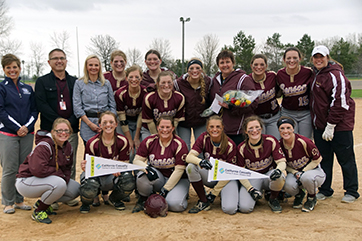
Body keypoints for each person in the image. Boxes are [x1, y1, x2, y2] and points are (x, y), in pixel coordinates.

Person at [310, 45, 359, 203]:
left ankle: (351, 190)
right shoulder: (315, 74)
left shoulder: (335, 75)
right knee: (324, 159)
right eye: (316, 57)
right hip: (320, 126)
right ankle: (325, 189)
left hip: (339, 126)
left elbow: (341, 103)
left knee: (345, 158)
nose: (319, 60)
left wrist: (331, 125)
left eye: (321, 57)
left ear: (327, 57)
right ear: (312, 59)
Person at [35, 48, 79, 207]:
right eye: (55, 58)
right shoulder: (42, 81)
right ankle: (50, 197)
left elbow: (78, 105)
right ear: (49, 62)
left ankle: (67, 195)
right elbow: (41, 104)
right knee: (49, 164)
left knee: (68, 162)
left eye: (62, 58)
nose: (59, 61)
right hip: (49, 130)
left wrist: (69, 124)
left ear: (66, 61)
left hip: (71, 130)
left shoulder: (74, 81)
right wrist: (59, 125)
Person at [15, 118, 80, 224]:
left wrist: (63, 177)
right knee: (59, 184)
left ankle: (42, 203)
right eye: (59, 130)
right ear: (53, 132)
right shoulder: (45, 145)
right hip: (26, 181)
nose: (63, 133)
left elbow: (68, 168)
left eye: (66, 130)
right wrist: (60, 175)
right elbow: (38, 170)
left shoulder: (68, 146)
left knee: (75, 189)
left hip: (45, 180)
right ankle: (39, 211)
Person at [0, 54, 38, 214]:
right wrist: (17, 128)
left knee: (22, 168)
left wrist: (27, 127)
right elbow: (1, 111)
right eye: (8, 67)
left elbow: (34, 110)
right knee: (9, 168)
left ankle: (19, 199)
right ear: (4, 70)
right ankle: (8, 202)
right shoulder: (2, 87)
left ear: (19, 68)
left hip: (27, 134)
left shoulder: (27, 88)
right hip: (9, 134)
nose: (12, 70)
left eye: (14, 67)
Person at [132, 116, 189, 213]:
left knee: (175, 205)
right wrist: (147, 168)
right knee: (142, 176)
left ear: (173, 128)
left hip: (177, 180)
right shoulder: (150, 141)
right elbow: (136, 161)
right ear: (157, 127)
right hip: (160, 178)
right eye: (162, 127)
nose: (165, 130)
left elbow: (179, 170)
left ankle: (179, 194)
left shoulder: (179, 144)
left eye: (168, 127)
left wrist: (166, 189)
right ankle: (143, 199)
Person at [79, 111, 132, 213]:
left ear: (116, 124)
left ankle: (115, 199)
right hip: (97, 177)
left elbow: (124, 165)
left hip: (111, 178)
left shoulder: (123, 141)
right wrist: (85, 165)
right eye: (104, 122)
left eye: (111, 122)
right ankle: (87, 202)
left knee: (127, 179)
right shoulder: (92, 142)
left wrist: (116, 169)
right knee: (89, 183)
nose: (108, 125)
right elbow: (89, 168)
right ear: (100, 125)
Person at [186, 115, 237, 214]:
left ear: (222, 128)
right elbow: (189, 157)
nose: (214, 129)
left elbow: (231, 172)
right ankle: (203, 200)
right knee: (191, 167)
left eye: (218, 127)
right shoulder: (204, 137)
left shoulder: (230, 144)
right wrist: (200, 162)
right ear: (207, 128)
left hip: (226, 178)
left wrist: (214, 193)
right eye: (211, 127)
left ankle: (222, 194)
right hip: (211, 175)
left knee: (230, 209)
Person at [237, 116, 286, 213]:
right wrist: (250, 189)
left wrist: (278, 170)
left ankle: (273, 198)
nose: (254, 130)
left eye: (257, 127)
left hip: (269, 175)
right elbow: (240, 172)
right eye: (250, 128)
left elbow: (281, 162)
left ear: (262, 128)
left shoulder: (270, 140)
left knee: (280, 176)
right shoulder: (241, 147)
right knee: (245, 208)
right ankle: (258, 194)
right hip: (253, 177)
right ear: (246, 131)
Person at [209, 49, 257, 146]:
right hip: (220, 130)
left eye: (228, 62)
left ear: (233, 63)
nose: (225, 65)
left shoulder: (243, 79)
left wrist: (231, 107)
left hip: (237, 131)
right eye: (222, 62)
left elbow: (253, 102)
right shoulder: (215, 80)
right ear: (218, 65)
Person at [278, 116, 325, 212]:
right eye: (282, 128)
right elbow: (284, 164)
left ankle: (312, 198)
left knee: (306, 177)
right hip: (295, 173)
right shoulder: (280, 144)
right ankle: (299, 194)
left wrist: (303, 171)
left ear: (293, 129)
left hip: (314, 171)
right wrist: (295, 172)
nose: (285, 131)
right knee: (288, 185)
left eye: (288, 128)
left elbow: (317, 159)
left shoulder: (304, 141)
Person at [73, 55, 117, 146]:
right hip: (87, 124)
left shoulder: (106, 83)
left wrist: (108, 123)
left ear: (100, 67)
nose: (93, 68)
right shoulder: (79, 84)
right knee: (90, 153)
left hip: (106, 124)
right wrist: (90, 124)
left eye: (96, 65)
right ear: (86, 67)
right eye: (91, 65)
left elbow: (112, 105)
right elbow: (77, 107)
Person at [174, 58, 211, 150]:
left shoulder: (208, 82)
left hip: (201, 122)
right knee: (184, 147)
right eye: (191, 68)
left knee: (201, 148)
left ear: (201, 70)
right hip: (184, 122)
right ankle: (186, 164)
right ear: (187, 70)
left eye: (197, 68)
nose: (194, 71)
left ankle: (200, 164)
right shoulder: (179, 84)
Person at [276, 47, 313, 139]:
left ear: (300, 59)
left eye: (295, 58)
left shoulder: (308, 72)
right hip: (287, 112)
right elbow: (277, 92)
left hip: (305, 113)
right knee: (289, 140)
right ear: (284, 60)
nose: (292, 61)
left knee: (305, 140)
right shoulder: (280, 74)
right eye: (288, 58)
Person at [114, 65, 147, 160]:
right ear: (126, 78)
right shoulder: (120, 93)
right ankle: (124, 173)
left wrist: (136, 138)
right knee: (127, 147)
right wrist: (129, 139)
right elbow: (122, 118)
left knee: (137, 149)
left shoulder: (145, 92)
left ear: (141, 78)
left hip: (139, 122)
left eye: (137, 77)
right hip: (123, 122)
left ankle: (136, 173)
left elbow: (141, 115)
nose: (134, 79)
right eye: (131, 77)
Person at [141, 71, 185, 140]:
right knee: (150, 146)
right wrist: (158, 138)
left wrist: (169, 134)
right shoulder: (150, 98)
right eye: (163, 83)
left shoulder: (179, 98)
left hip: (170, 129)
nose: (166, 85)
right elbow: (149, 122)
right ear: (158, 84)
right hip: (150, 129)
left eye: (169, 82)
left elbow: (176, 121)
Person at [249, 54, 281, 139]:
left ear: (266, 66)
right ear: (251, 66)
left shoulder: (272, 76)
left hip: (274, 116)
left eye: (262, 64)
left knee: (275, 142)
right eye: (255, 65)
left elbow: (279, 91)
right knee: (260, 145)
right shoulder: (247, 80)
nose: (259, 67)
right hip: (257, 119)